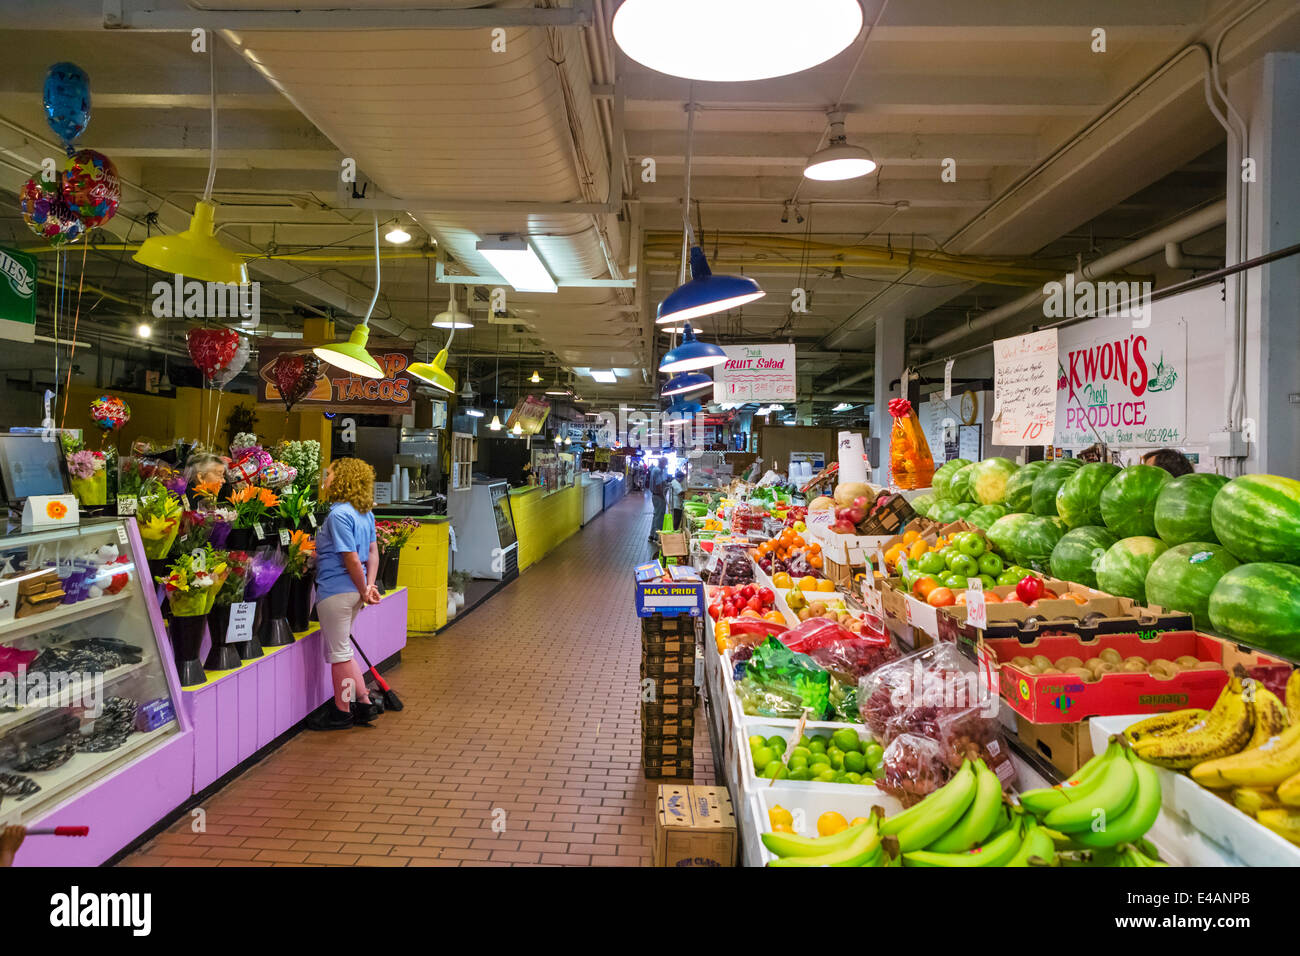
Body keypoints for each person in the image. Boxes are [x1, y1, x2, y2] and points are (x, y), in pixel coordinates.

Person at [308, 458, 382, 731]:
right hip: (353, 592)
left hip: (336, 590)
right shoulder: (364, 513)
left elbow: (350, 558)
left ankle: (342, 711)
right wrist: (368, 587)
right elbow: (372, 553)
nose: (325, 479)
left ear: (342, 480)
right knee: (344, 650)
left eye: (329, 474)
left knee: (339, 654)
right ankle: (362, 702)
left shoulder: (339, 514)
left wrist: (365, 588)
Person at [648, 457, 668, 542]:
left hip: (655, 496)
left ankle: (652, 535)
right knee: (659, 517)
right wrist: (663, 496)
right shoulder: (658, 471)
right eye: (665, 463)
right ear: (662, 463)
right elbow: (659, 485)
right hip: (658, 496)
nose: (666, 465)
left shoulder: (655, 470)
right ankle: (656, 536)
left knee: (656, 515)